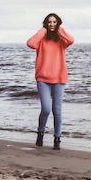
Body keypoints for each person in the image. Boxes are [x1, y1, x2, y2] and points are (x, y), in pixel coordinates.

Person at [26, 13, 74, 150]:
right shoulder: (41, 39)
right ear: (45, 24)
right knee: (46, 109)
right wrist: (42, 31)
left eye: (54, 22)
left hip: (59, 78)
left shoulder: (62, 40)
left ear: (58, 24)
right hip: (43, 79)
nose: (51, 24)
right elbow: (30, 43)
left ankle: (57, 138)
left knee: (57, 110)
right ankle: (40, 132)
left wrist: (59, 29)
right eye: (49, 22)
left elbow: (71, 40)